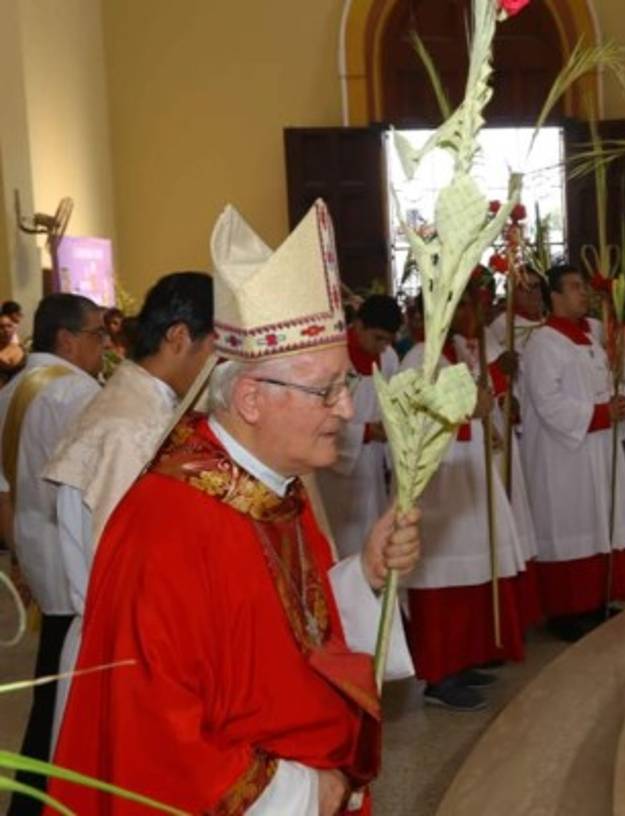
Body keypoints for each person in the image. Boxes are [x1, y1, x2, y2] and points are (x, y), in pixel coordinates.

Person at [49, 201, 417, 815]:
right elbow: (159, 742)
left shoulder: (274, 489)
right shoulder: (165, 527)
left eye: (344, 386)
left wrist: (364, 576)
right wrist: (306, 793)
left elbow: (292, 629)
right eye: (325, 390)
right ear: (250, 397)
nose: (347, 410)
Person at [42, 271, 214, 751]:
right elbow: (138, 571)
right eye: (214, 349)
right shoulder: (133, 427)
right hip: (123, 649)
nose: (216, 367)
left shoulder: (140, 407)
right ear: (179, 337)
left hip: (119, 642)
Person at [398, 283, 534, 711]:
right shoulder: (420, 357)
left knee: (467, 575)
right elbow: (421, 414)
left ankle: (458, 662)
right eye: (459, 310)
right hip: (437, 484)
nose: (470, 316)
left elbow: (473, 400)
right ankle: (438, 676)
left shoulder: (451, 354)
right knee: (440, 580)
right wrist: (467, 406)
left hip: (462, 476)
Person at [0, 293, 108, 815]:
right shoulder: (79, 394)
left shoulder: (12, 388)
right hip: (75, 560)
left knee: (51, 686)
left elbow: (2, 488)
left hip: (37, 553)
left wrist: (18, 556)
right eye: (96, 334)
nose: (105, 345)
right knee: (68, 696)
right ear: (66, 338)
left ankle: (30, 799)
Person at [519, 264, 625, 642]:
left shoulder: (590, 337)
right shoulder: (543, 342)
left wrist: (619, 400)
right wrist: (601, 413)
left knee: (597, 523)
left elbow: (605, 381)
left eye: (583, 287)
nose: (583, 293)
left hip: (596, 443)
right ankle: (566, 610)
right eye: (574, 287)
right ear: (553, 296)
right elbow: (547, 401)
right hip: (563, 454)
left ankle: (595, 599)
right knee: (569, 524)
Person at [315, 294, 402, 559]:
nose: (383, 347)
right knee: (343, 543)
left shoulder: (388, 359)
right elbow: (319, 414)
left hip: (373, 464)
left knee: (375, 537)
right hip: (336, 467)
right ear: (359, 326)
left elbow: (393, 405)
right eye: (377, 338)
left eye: (388, 340)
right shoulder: (332, 357)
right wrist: (363, 432)